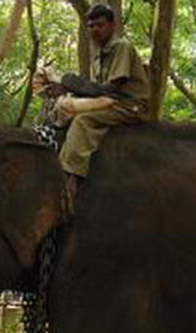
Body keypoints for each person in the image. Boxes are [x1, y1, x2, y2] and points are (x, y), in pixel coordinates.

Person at [43, 4, 149, 207]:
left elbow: (109, 88)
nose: (94, 30)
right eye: (90, 26)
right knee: (62, 112)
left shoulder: (121, 47)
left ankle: (71, 181)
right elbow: (96, 90)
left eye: (99, 25)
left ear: (112, 25)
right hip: (109, 101)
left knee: (84, 120)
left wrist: (74, 84)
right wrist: (64, 90)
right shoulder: (97, 55)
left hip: (129, 105)